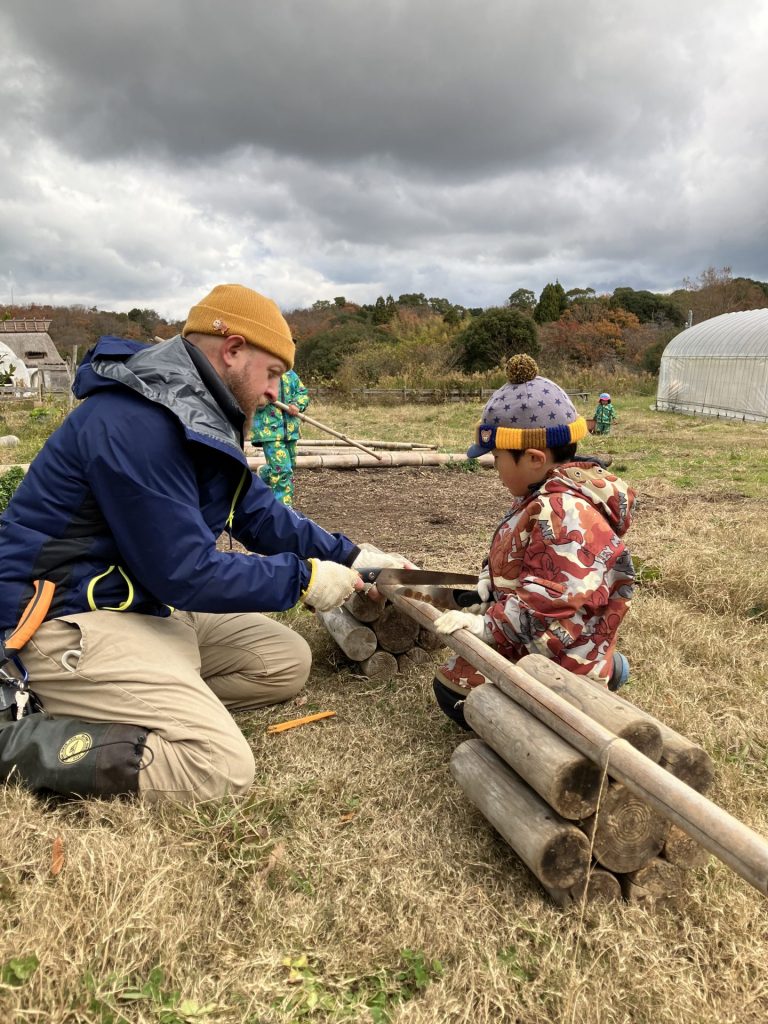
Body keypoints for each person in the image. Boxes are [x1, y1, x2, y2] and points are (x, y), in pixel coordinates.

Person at [0, 284, 407, 802]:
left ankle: (136, 696)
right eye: (274, 373)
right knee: (216, 766)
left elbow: (257, 513)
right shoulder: (137, 422)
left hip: (137, 604)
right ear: (233, 350)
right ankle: (21, 735)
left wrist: (352, 556)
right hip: (63, 617)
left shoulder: (197, 414)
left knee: (283, 662)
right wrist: (303, 580)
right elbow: (185, 573)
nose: (276, 394)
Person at [431, 355, 635, 730]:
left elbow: (549, 600)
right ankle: (603, 663)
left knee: (452, 690)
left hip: (554, 646)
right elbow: (519, 553)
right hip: (546, 635)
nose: (494, 467)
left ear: (534, 458)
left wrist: (486, 627)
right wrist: (487, 581)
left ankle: (587, 679)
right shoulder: (542, 493)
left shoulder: (562, 513)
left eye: (496, 457)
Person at [251, 368, 309, 505]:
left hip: (290, 431)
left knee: (289, 465)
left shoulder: (290, 374)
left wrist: (297, 404)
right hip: (269, 430)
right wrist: (261, 399)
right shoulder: (260, 370)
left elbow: (303, 393)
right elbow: (248, 396)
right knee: (283, 471)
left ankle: (265, 473)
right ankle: (283, 509)